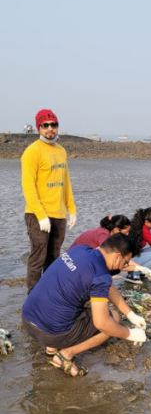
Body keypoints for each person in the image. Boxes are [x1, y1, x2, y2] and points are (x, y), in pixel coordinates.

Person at [21, 235, 149, 377]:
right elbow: (102, 323)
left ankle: (51, 349)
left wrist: (131, 314)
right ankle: (65, 355)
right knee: (114, 318)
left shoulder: (80, 250)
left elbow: (107, 286)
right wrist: (130, 334)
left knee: (62, 301)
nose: (122, 267)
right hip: (50, 333)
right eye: (125, 263)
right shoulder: (100, 276)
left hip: (27, 319)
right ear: (117, 256)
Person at [22, 109, 77, 293]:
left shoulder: (61, 150)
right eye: (45, 125)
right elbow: (28, 187)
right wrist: (40, 215)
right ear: (39, 127)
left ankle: (51, 295)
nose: (50, 129)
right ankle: (33, 297)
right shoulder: (32, 152)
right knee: (38, 256)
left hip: (59, 214)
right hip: (38, 215)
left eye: (53, 125)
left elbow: (65, 181)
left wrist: (72, 209)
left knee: (54, 257)